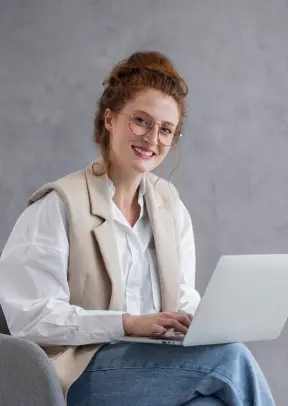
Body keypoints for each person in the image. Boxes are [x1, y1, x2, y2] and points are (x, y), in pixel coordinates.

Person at [0, 51, 275, 406]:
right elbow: (30, 318)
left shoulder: (170, 207)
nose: (152, 139)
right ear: (110, 119)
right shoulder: (57, 205)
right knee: (229, 359)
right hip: (78, 374)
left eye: (165, 129)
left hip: (155, 368)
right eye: (141, 121)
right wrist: (126, 323)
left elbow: (183, 295)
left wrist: (200, 321)